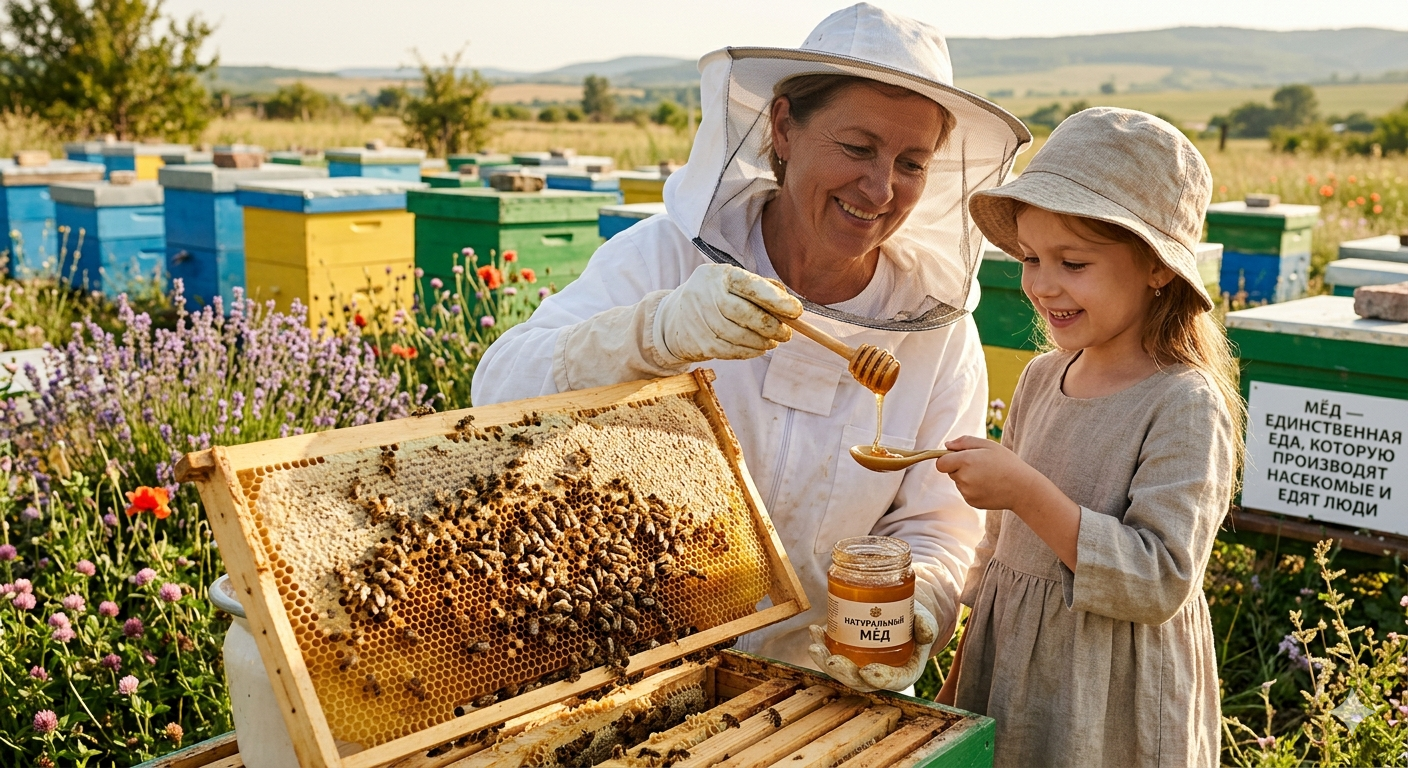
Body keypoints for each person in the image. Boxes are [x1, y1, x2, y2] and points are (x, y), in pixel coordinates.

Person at [471, 3, 1030, 691]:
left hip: (832, 690)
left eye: (910, 162)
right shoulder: (665, 258)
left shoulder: (935, 333)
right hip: (640, 674)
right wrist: (652, 333)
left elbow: (938, 526)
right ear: (783, 127)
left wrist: (919, 608)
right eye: (857, 148)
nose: (881, 188)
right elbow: (497, 387)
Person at [932, 107, 1242, 766]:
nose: (1043, 284)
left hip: (1109, 705)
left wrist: (1025, 491)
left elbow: (1160, 580)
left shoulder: (1184, 402)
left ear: (1157, 267)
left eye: (1073, 262)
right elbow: (996, 558)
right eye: (1032, 258)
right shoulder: (1043, 378)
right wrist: (954, 694)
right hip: (1010, 678)